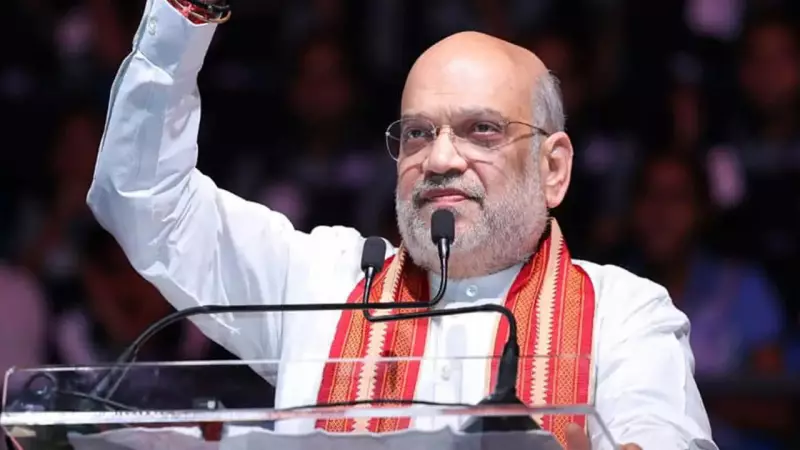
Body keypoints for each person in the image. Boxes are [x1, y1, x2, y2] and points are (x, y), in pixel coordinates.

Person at [86, 0, 717, 449]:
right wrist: (187, 9)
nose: (439, 160)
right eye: (417, 133)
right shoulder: (323, 283)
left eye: (481, 130)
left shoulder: (624, 314)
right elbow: (145, 198)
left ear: (553, 169)